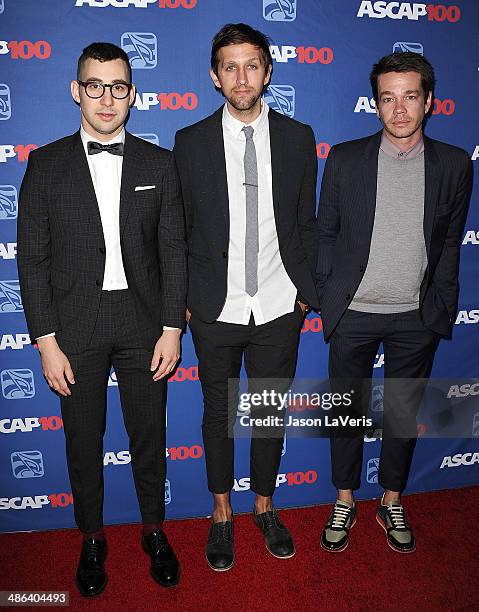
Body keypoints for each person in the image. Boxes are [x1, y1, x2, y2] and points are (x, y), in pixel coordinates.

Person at [17, 42, 187, 596]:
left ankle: (154, 532)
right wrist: (45, 341)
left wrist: (171, 327)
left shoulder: (159, 165)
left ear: (132, 95)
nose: (107, 98)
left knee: (148, 438)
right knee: (82, 443)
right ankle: (92, 538)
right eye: (95, 85)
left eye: (118, 87)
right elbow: (33, 259)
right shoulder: (44, 165)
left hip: (144, 326)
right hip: (74, 329)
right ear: (77, 91)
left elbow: (173, 251)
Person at [174, 23, 319, 571]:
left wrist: (306, 294)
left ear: (268, 71)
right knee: (219, 414)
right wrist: (183, 298)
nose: (241, 76)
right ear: (215, 76)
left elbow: (306, 221)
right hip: (215, 306)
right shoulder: (190, 143)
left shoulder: (299, 137)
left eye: (251, 64)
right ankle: (221, 513)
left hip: (281, 303)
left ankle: (263, 506)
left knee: (266, 413)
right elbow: (178, 229)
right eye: (229, 66)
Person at [317, 51, 473, 554]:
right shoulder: (343, 158)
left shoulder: (453, 164)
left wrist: (440, 305)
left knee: (403, 414)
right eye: (388, 98)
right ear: (376, 104)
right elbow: (327, 234)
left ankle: (391, 498)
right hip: (354, 313)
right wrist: (326, 297)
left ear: (429, 102)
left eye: (410, 97)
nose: (399, 109)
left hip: (416, 315)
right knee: (347, 412)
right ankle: (344, 497)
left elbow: (449, 243)